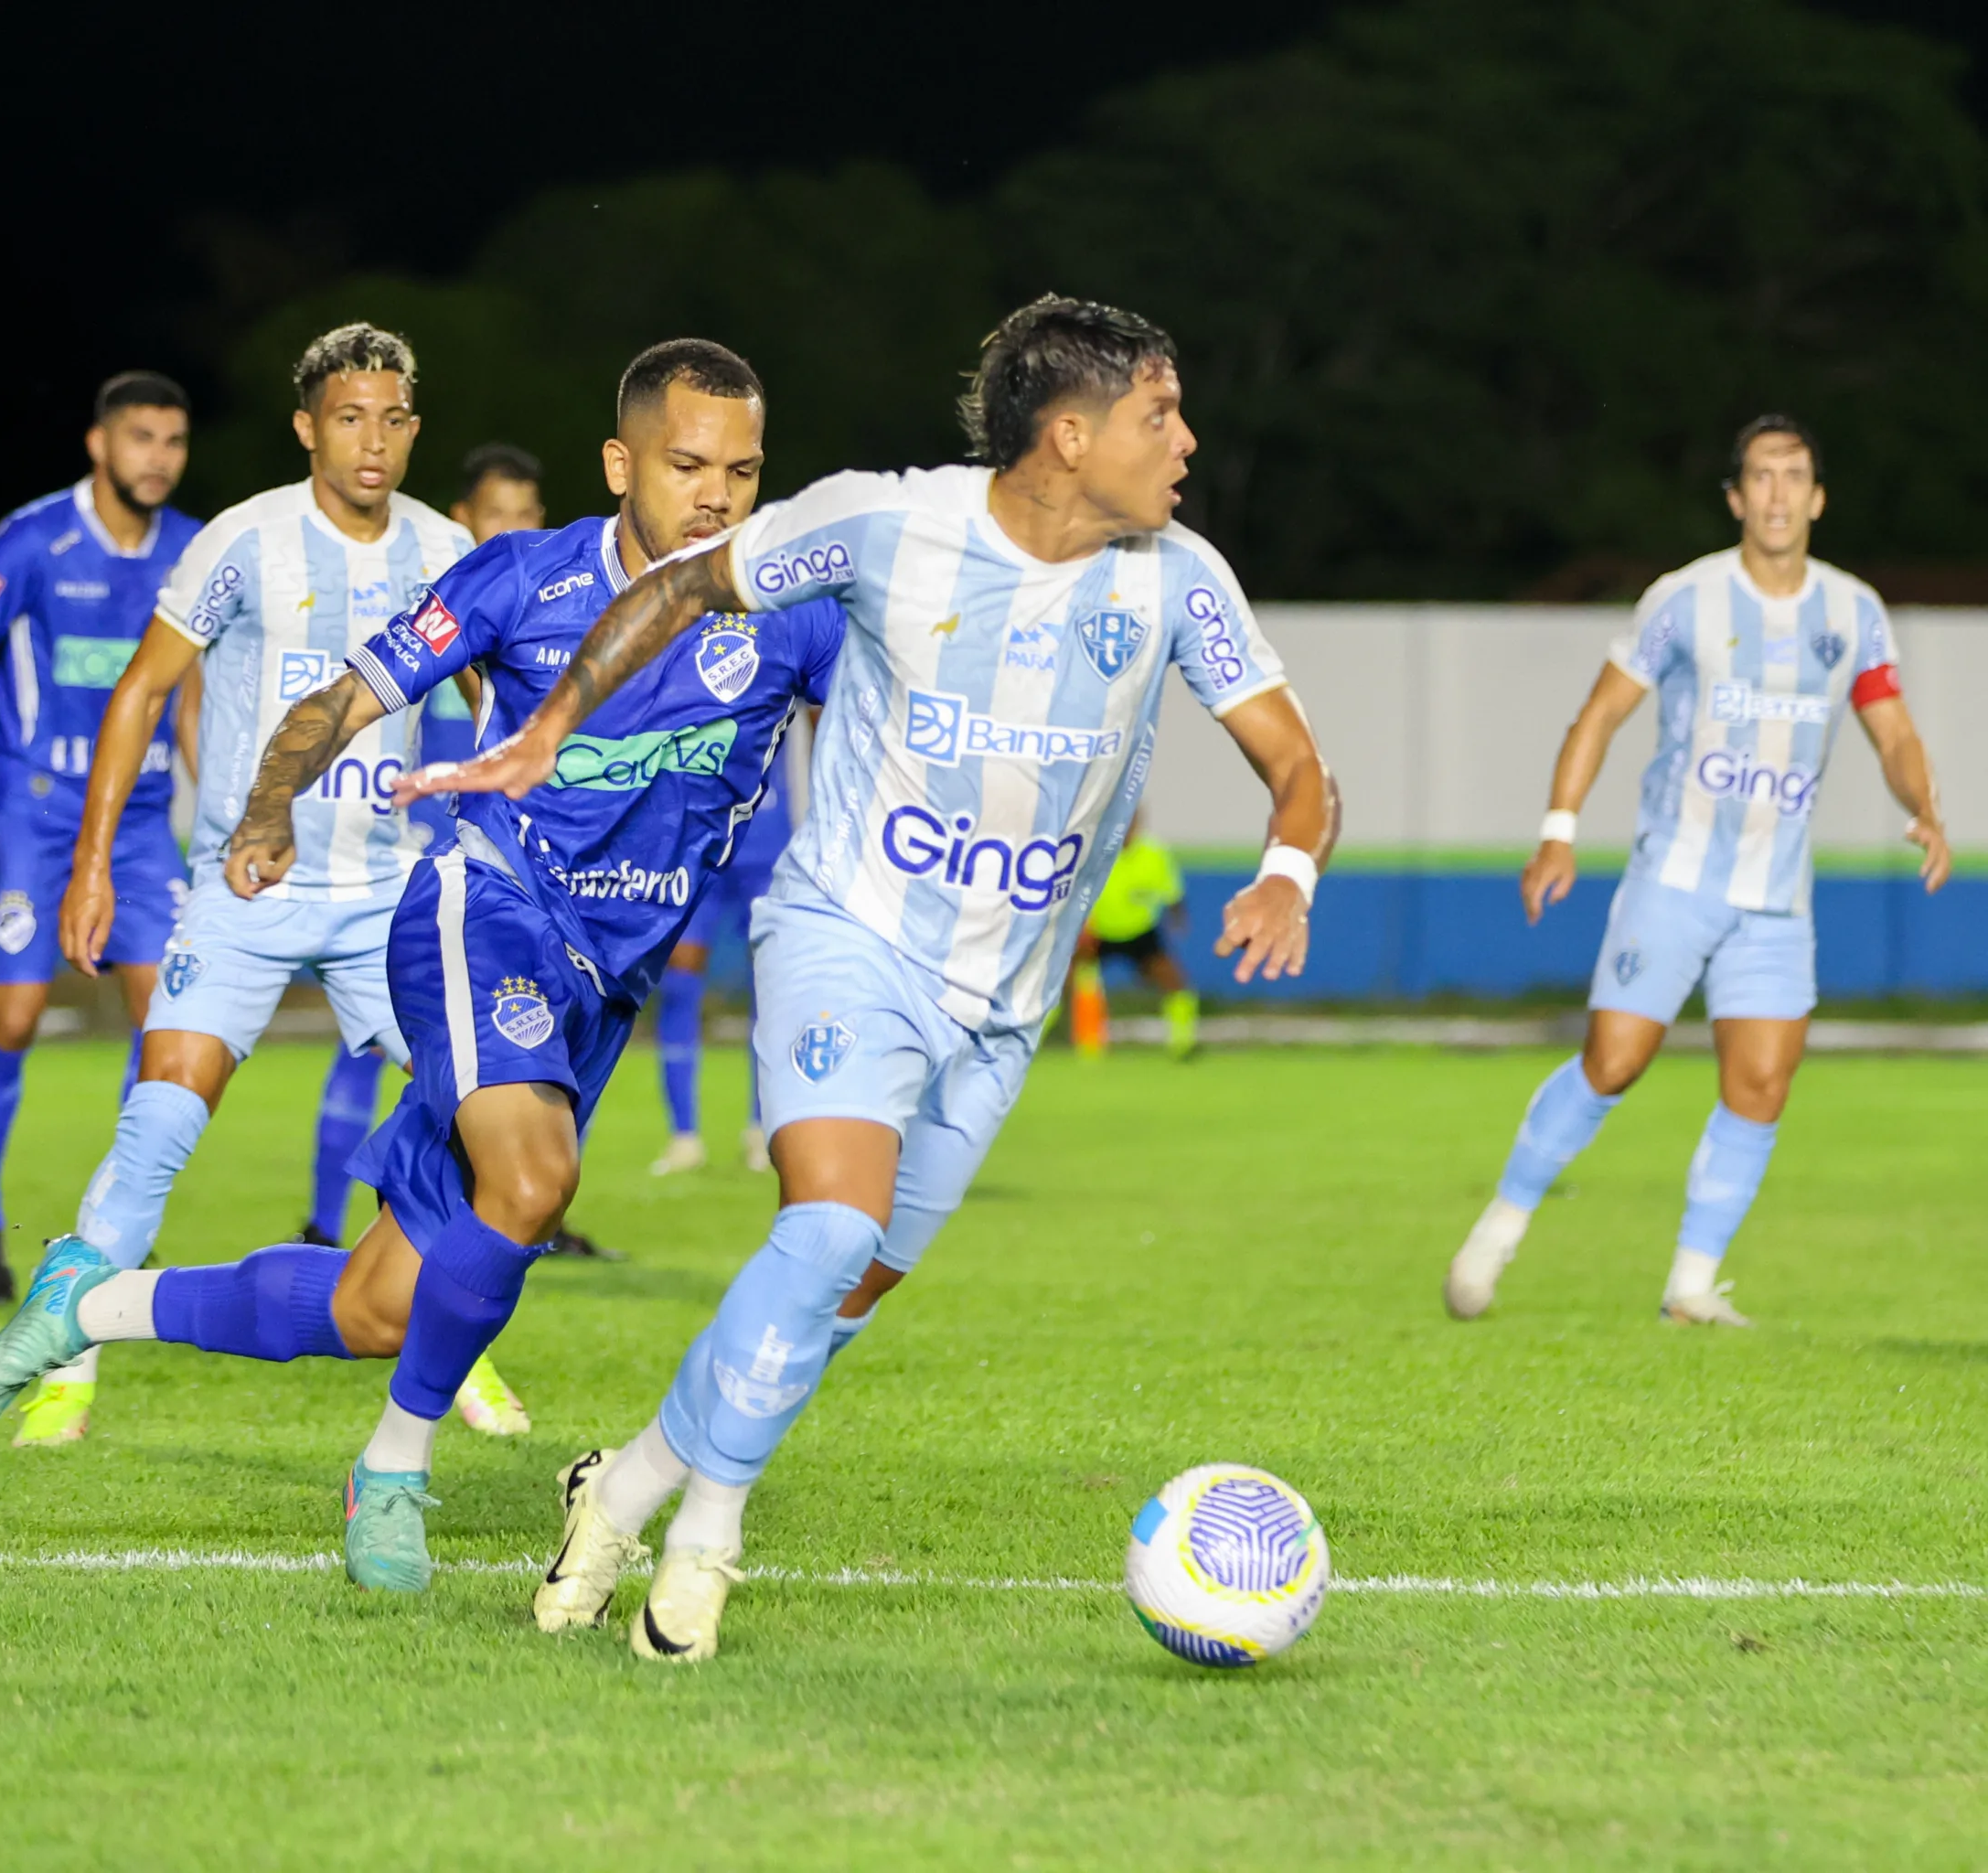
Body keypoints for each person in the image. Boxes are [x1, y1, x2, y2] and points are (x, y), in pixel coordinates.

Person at [429, 294, 1340, 1661]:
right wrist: (547, 729)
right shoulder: (883, 522)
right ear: (1070, 434)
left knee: (841, 1296)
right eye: (1163, 414)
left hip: (1005, 1005)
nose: (1189, 441)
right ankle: (702, 1541)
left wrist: (1289, 872)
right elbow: (684, 583)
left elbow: (1300, 769)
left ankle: (619, 1485)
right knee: (828, 1231)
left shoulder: (1177, 578)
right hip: (846, 938)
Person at [0, 343, 846, 1609]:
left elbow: (886, 746)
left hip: (603, 985)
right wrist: (267, 807)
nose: (716, 495)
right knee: (533, 1180)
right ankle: (393, 1466)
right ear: (619, 463)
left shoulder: (794, 613)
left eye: (742, 471)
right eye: (687, 463)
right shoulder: (520, 576)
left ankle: (81, 1308)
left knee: (381, 1305)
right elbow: (344, 698)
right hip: (479, 912)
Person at [0, 322, 473, 1449]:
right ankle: (68, 1359)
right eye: (348, 418)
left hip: (388, 894)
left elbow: (498, 702)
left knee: (475, 1119)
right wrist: (92, 866)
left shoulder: (445, 546)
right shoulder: (243, 541)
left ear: (414, 429)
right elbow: (140, 694)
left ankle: (439, 1352)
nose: (372, 440)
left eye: (392, 419)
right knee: (159, 1125)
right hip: (245, 885)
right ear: (307, 428)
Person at [1445, 416, 1950, 1328]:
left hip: (1773, 900)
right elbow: (1598, 715)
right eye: (1760, 476)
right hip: (1673, 878)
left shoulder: (1852, 611)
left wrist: (1923, 805)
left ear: (1817, 496)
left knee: (1759, 1082)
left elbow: (1893, 727)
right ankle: (1499, 1226)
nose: (1777, 493)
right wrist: (1557, 831)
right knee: (1613, 1060)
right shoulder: (1683, 599)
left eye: (1793, 475)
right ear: (1734, 497)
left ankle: (1690, 1284)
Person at [0, 372, 200, 1315]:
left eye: (173, 441)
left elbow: (190, 691)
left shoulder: (195, 550)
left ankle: (118, 1227)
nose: (157, 457)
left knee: (165, 1021)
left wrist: (224, 809)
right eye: (142, 438)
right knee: (16, 1014)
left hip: (141, 819)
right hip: (32, 814)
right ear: (99, 444)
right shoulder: (34, 538)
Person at [296, 440, 557, 1437]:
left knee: (439, 1083)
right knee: (389, 1061)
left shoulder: (518, 659)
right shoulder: (443, 613)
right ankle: (340, 1232)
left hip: (483, 891)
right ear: (464, 519)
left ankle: (414, 1278)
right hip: (407, 879)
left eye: (530, 516)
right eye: (499, 518)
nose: (515, 536)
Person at [647, 754, 797, 1176]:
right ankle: (683, 1136)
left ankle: (762, 1128)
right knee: (679, 979)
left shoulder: (791, 686)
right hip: (701, 844)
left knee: (769, 986)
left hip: (770, 847)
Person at [1066, 810, 1199, 1058]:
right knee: (1071, 981)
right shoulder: (1096, 852)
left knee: (1174, 981)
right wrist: (1081, 926)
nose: (1126, 827)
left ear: (1138, 823)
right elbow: (1076, 893)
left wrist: (1177, 920)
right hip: (1098, 933)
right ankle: (1084, 1047)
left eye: (1131, 821)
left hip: (1140, 933)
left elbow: (1172, 894)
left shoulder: (1154, 854)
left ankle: (1183, 1044)